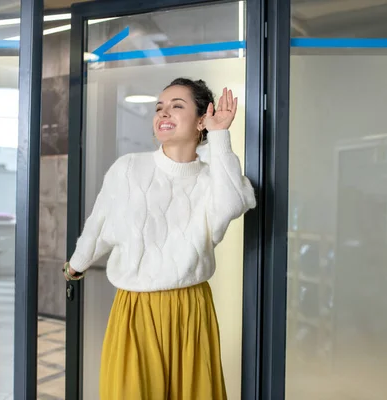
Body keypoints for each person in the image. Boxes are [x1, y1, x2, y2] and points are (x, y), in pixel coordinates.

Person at [63, 78, 256, 399]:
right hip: (135, 306)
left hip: (190, 307)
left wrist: (220, 134)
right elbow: (99, 225)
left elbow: (234, 203)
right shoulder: (128, 168)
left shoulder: (213, 177)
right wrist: (75, 266)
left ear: (200, 120)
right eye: (159, 108)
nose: (163, 113)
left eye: (177, 106)